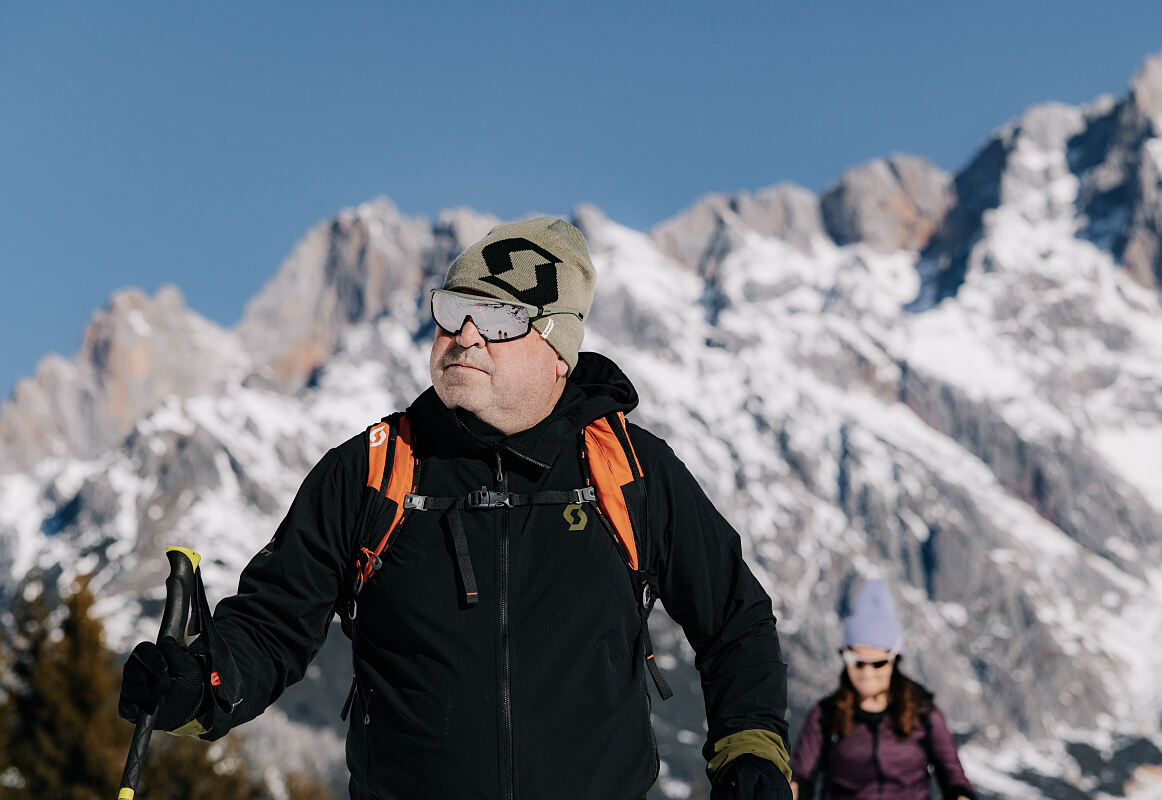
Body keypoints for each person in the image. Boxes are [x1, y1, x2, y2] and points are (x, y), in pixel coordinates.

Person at [119, 217, 792, 800]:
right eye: (452, 311)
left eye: (498, 319)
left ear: (558, 352)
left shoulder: (631, 470)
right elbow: (271, 627)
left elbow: (735, 618)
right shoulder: (371, 470)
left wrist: (751, 748)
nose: (465, 335)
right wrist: (198, 685)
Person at [788, 580, 975, 800]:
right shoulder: (825, 714)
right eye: (857, 661)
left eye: (878, 663)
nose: (867, 672)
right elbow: (801, 776)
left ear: (894, 660)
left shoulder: (924, 713)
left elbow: (953, 777)